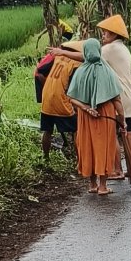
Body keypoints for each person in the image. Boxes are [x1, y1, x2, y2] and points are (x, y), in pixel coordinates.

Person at [69, 38, 126, 197]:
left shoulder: (80, 71)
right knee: (103, 147)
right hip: (105, 116)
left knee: (88, 147)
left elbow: (72, 98)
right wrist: (122, 121)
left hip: (85, 118)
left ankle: (92, 184)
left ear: (86, 51)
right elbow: (117, 101)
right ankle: (103, 186)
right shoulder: (107, 71)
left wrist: (86, 108)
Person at [97, 14, 131, 177]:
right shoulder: (123, 48)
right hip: (130, 95)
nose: (103, 35)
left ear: (114, 34)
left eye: (105, 33)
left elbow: (89, 58)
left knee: (113, 133)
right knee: (128, 131)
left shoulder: (109, 49)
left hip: (118, 97)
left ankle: (117, 169)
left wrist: (63, 52)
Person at [34, 32, 82, 163]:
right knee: (76, 130)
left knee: (47, 131)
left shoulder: (57, 58)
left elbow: (40, 71)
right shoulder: (77, 64)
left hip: (47, 100)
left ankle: (46, 158)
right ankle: (79, 161)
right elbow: (74, 89)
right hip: (61, 101)